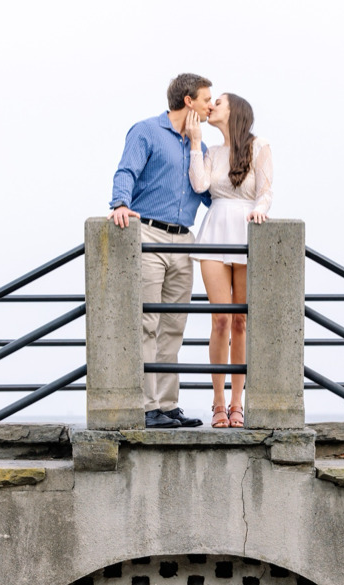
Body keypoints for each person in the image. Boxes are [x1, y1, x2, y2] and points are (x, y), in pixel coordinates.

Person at [110, 72, 214, 428]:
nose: (210, 105)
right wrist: (120, 203)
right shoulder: (147, 131)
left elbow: (206, 193)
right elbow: (126, 171)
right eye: (205, 99)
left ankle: (167, 406)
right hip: (150, 236)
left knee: (174, 326)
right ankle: (147, 406)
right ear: (188, 101)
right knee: (147, 323)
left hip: (184, 240)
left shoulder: (197, 143)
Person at [186, 93, 273, 428]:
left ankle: (238, 402)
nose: (211, 107)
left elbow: (265, 192)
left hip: (245, 230)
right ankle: (218, 402)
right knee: (220, 320)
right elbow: (199, 184)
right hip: (215, 231)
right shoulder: (211, 152)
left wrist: (260, 212)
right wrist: (196, 143)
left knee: (241, 322)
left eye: (218, 102)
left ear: (234, 111)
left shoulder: (259, 146)